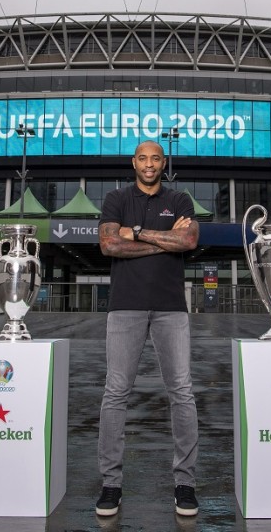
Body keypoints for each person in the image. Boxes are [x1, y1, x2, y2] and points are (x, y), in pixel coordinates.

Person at [95, 139, 201, 518]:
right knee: (116, 392)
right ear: (134, 162)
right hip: (125, 306)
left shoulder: (181, 199)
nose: (150, 164)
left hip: (172, 308)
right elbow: (108, 245)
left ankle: (185, 482)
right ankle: (111, 483)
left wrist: (135, 233)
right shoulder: (116, 198)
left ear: (163, 162)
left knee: (182, 393)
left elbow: (188, 240)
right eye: (143, 158)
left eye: (156, 158)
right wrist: (163, 240)